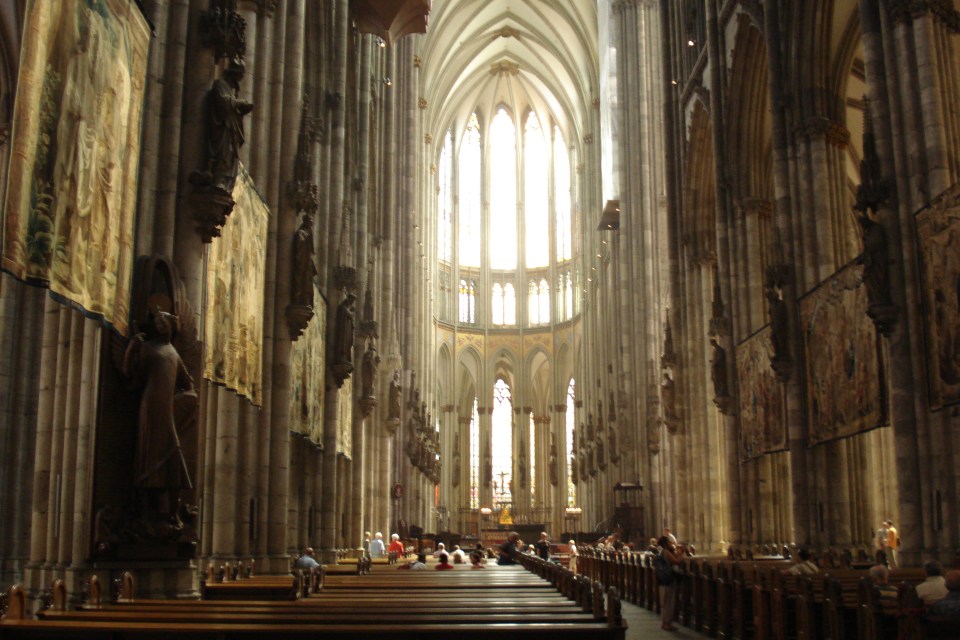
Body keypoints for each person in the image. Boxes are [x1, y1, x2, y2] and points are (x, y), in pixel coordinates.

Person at [123, 308, 196, 525]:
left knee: (173, 453)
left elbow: (188, 385)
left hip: (167, 409)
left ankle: (173, 513)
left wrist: (182, 404)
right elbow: (130, 373)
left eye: (164, 323)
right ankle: (144, 512)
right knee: (148, 454)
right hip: (150, 404)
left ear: (172, 326)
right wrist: (131, 349)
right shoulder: (148, 348)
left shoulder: (174, 353)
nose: (160, 326)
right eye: (158, 323)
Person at [657, 535, 687, 632]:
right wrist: (682, 553)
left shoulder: (661, 551)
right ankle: (667, 623)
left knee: (664, 601)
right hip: (668, 579)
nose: (671, 543)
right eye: (669, 542)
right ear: (666, 543)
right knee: (669, 601)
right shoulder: (665, 551)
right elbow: (676, 561)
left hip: (662, 578)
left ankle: (664, 623)